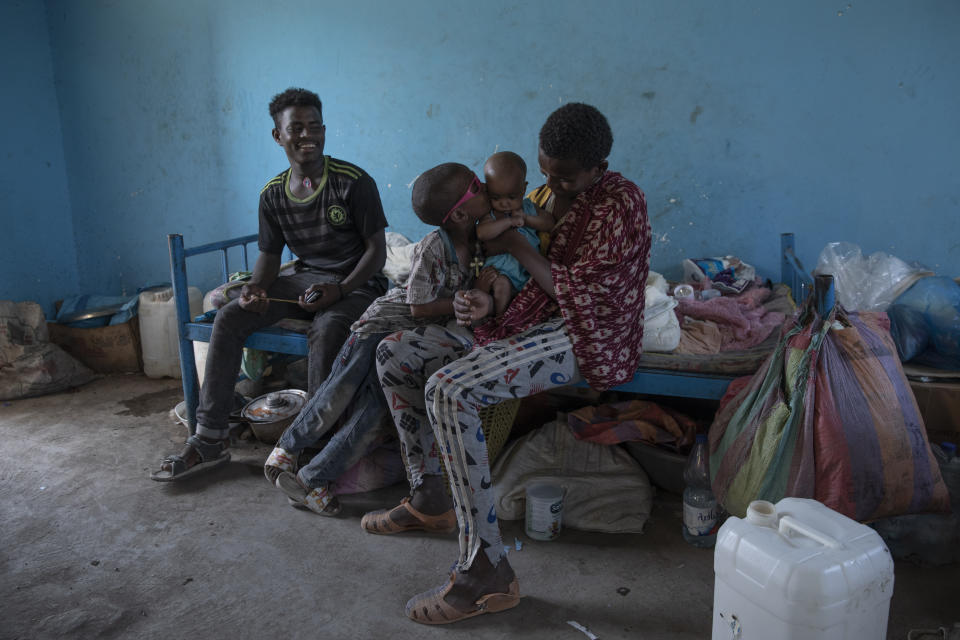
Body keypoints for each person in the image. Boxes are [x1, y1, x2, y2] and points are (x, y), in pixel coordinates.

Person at [364, 103, 651, 624]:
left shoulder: (620, 203)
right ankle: (430, 495)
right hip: (527, 315)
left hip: (586, 328)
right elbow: (502, 263)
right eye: (545, 172)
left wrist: (517, 244)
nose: (552, 185)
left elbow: (576, 289)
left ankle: (486, 571)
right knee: (394, 354)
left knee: (449, 390)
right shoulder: (543, 195)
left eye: (564, 177)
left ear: (597, 166)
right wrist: (485, 300)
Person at [151, 87, 388, 482]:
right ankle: (209, 437)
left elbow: (377, 252)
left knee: (328, 328)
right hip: (305, 279)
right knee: (229, 316)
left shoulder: (353, 182)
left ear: (325, 131)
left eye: (315, 126)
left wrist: (342, 290)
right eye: (296, 128)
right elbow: (269, 256)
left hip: (357, 284)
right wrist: (256, 288)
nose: (307, 135)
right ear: (278, 136)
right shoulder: (273, 195)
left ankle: (310, 443)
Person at [262, 162, 490, 514]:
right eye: (477, 186)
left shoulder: (479, 238)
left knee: (375, 412)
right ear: (459, 215)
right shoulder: (433, 246)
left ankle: (312, 479)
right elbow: (417, 306)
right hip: (379, 326)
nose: (485, 186)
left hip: (404, 347)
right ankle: (286, 449)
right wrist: (455, 303)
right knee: (340, 388)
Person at [474, 151, 556, 317]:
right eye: (496, 197)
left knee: (540, 296)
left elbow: (549, 223)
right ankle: (500, 318)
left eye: (512, 196)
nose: (504, 203)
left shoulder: (528, 207)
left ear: (523, 188)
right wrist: (508, 222)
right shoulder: (490, 214)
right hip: (501, 273)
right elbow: (482, 233)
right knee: (502, 288)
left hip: (529, 272)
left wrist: (526, 219)